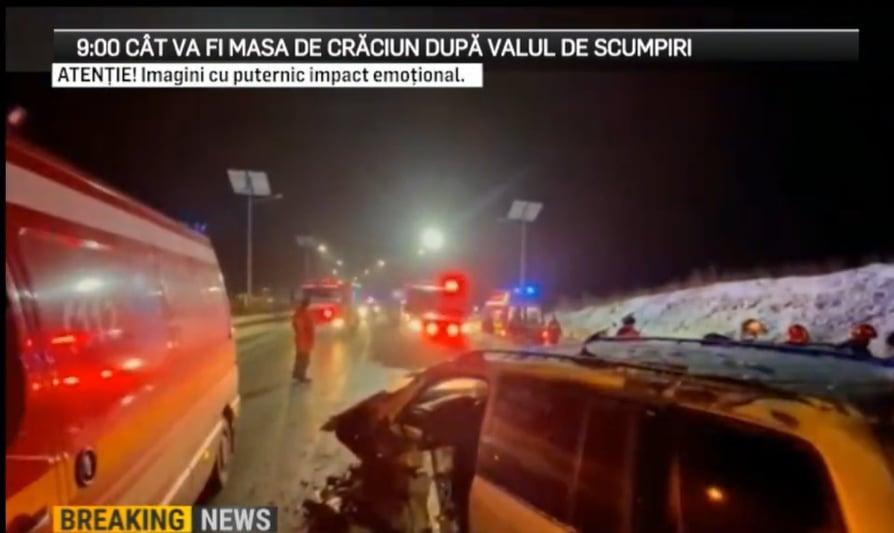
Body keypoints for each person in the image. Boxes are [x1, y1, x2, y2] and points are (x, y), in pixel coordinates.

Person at [292, 296, 315, 383]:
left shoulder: (302, 312)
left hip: (304, 340)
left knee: (301, 359)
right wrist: (302, 334)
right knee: (304, 360)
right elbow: (299, 326)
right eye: (308, 303)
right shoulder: (302, 313)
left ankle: (297, 374)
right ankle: (301, 376)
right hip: (303, 340)